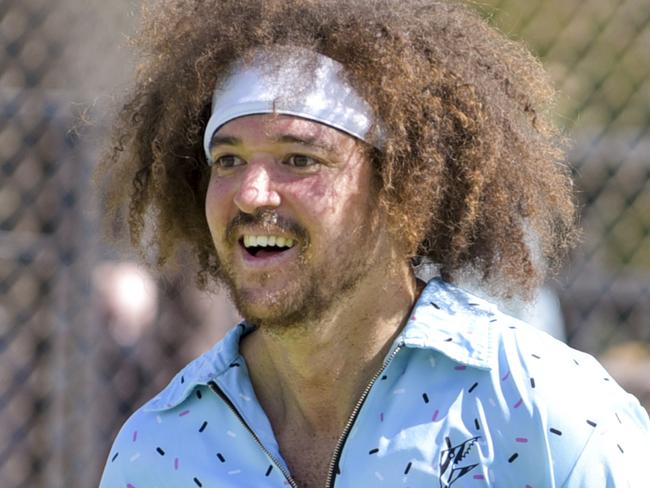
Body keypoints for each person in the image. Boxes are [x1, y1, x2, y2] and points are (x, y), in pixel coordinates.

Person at [97, 0, 650, 486]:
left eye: (299, 159)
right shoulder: (158, 449)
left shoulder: (544, 409)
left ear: (400, 187)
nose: (251, 193)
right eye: (230, 160)